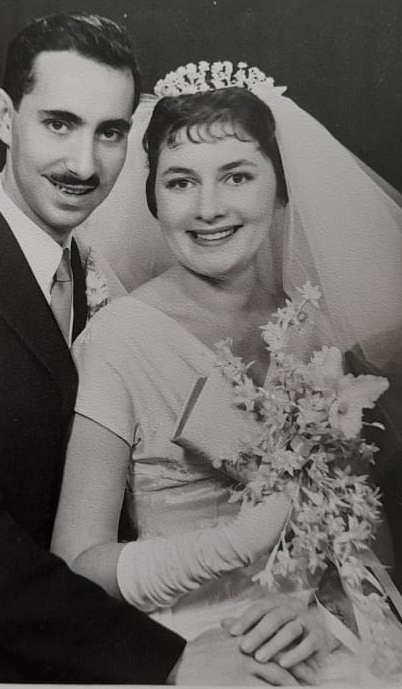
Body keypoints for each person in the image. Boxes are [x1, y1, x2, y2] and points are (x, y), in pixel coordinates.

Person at [0, 15, 300, 685]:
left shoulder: (96, 269)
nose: (84, 164)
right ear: (3, 115)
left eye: (109, 132)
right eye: (58, 123)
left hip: (94, 631)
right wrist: (166, 658)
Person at [53, 61, 402, 685]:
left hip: (315, 629)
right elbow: (76, 565)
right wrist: (232, 545)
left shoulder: (317, 334)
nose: (208, 208)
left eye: (237, 175)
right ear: (153, 198)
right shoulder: (118, 340)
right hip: (197, 641)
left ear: (280, 186)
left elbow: (364, 539)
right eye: (181, 182)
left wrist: (324, 612)